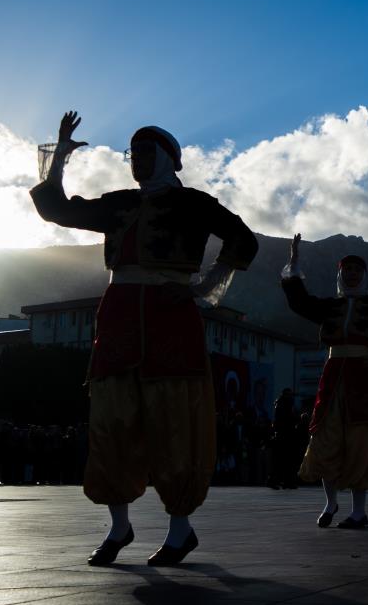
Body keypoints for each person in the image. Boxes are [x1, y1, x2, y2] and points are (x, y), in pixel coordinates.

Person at [30, 111, 258, 566]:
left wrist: (203, 285)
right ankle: (119, 526)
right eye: (133, 152)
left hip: (171, 317)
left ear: (170, 159)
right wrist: (59, 158)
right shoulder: (118, 204)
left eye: (147, 152)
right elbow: (57, 210)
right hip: (117, 319)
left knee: (174, 422)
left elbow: (243, 241)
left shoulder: (195, 203)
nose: (138, 160)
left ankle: (180, 530)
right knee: (111, 421)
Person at [281, 234, 368, 528]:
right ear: (340, 275)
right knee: (325, 439)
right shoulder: (329, 306)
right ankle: (330, 503)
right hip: (332, 379)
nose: (352, 274)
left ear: (364, 275)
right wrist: (293, 264)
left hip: (364, 380)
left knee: (360, 443)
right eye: (347, 270)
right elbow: (300, 302)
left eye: (357, 270)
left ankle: (359, 512)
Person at [267, 388, 300, 489]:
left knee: (287, 461)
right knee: (279, 461)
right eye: (289, 395)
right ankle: (274, 481)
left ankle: (287, 482)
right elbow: (285, 420)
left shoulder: (285, 405)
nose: (291, 397)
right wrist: (296, 419)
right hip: (283, 436)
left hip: (286, 436)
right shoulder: (282, 405)